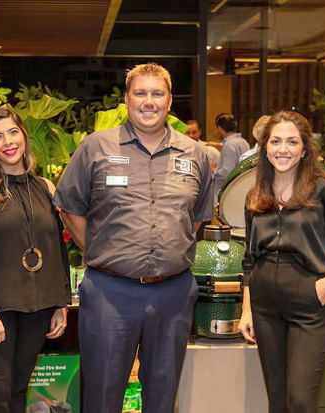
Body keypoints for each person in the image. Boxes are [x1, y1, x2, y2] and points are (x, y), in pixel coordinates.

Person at [54, 63, 214, 413]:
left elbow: (198, 219)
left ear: (170, 101)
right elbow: (69, 208)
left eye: (157, 94)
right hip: (110, 293)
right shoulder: (96, 147)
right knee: (102, 393)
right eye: (140, 93)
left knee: (162, 393)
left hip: (173, 293)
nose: (148, 102)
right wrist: (102, 252)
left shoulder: (196, 154)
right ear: (127, 99)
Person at [237, 111, 325, 413]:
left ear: (304, 149)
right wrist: (247, 310)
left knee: (301, 401)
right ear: (264, 147)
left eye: (292, 142)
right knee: (277, 402)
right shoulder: (255, 195)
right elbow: (250, 259)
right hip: (265, 307)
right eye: (276, 141)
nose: (283, 149)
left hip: (310, 304)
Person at [0, 107, 71, 413]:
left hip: (37, 304)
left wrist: (61, 302)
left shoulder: (45, 188)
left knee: (19, 386)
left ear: (24, 136)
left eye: (13, 132)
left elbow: (56, 248)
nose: (8, 141)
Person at [213, 112, 250, 203]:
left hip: (228, 192)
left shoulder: (230, 145)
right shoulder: (244, 142)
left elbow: (227, 172)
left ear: (220, 128)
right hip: (242, 188)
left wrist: (214, 171)